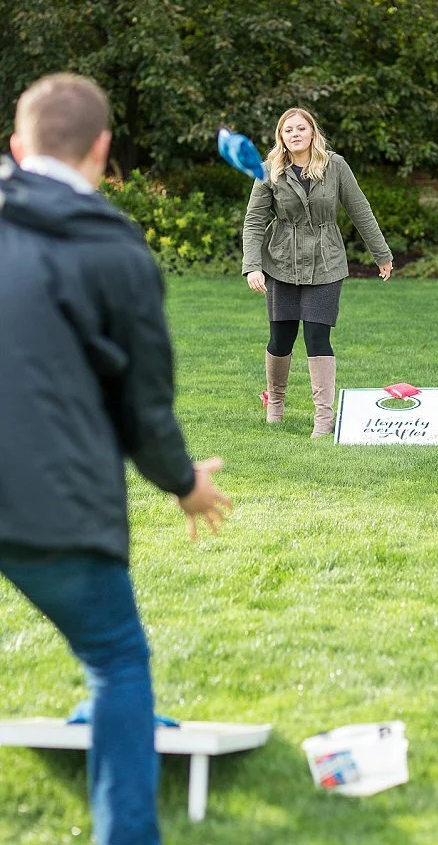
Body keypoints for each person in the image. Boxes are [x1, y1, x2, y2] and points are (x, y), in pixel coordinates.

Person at [0, 72, 233, 845]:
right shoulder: (115, 250)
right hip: (51, 502)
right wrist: (185, 484)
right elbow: (145, 401)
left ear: (15, 146)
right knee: (117, 660)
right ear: (104, 150)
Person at [239, 106, 394, 438]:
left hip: (326, 263)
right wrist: (252, 265)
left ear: (312, 133)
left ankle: (324, 419)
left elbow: (359, 209)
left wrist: (381, 254)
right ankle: (276, 405)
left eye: (300, 128)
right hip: (280, 263)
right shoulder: (267, 171)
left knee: (317, 336)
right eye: (288, 130)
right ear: (281, 137)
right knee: (281, 338)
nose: (295, 134)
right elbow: (254, 222)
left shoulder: (335, 166)